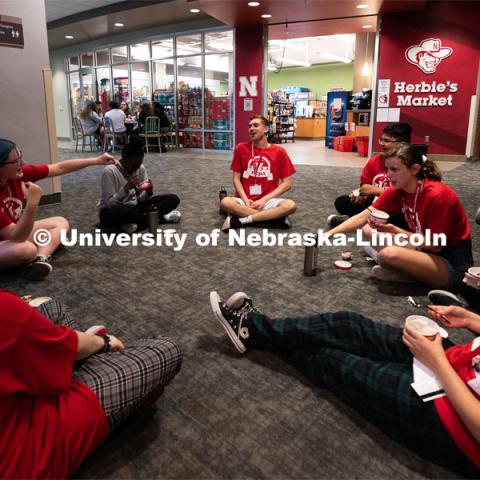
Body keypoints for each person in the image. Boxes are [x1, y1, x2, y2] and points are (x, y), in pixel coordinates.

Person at [210, 290, 480, 477]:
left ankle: (253, 329)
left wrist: (437, 364)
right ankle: (258, 329)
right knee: (346, 324)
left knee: (333, 361)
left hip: (456, 420)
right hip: (460, 360)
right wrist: (471, 320)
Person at [0, 289, 182, 479]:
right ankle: (89, 362)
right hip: (26, 449)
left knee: (49, 306)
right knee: (165, 349)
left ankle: (78, 360)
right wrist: (103, 342)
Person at [326, 143, 473, 288]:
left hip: (450, 260)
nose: (389, 175)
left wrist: (396, 231)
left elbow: (435, 246)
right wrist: (329, 234)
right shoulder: (398, 189)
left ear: (414, 169)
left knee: (387, 255)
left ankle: (406, 270)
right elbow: (364, 216)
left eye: (394, 169)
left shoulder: (438, 196)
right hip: (421, 247)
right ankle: (406, 269)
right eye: (388, 169)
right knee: (367, 229)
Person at [0, 139, 116, 280]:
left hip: (10, 235)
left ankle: (40, 260)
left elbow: (59, 167)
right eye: (15, 161)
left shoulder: (18, 175)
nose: (22, 163)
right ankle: (26, 257)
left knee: (59, 222)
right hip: (12, 236)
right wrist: (32, 204)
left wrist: (96, 160)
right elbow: (16, 236)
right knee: (26, 249)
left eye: (20, 156)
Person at [327, 123, 412, 228]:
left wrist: (377, 191)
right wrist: (359, 194)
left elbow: (410, 197)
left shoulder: (411, 165)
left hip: (399, 207)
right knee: (342, 201)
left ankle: (354, 222)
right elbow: (365, 186)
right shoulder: (375, 161)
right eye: (381, 140)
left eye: (387, 141)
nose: (382, 144)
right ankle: (364, 222)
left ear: (402, 144)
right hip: (375, 204)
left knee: (402, 217)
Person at [220, 115, 297, 231]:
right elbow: (236, 179)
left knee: (290, 205)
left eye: (256, 125)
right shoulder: (241, 148)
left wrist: (263, 200)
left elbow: (287, 184)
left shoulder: (279, 152)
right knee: (225, 202)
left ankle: (244, 219)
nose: (251, 129)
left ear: (265, 129)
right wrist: (245, 200)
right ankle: (272, 218)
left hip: (267, 200)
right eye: (249, 126)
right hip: (245, 199)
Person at [98, 136, 181, 233]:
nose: (135, 168)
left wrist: (148, 193)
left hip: (135, 208)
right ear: (124, 156)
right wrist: (125, 189)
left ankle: (137, 222)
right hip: (113, 211)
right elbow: (110, 204)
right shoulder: (110, 171)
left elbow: (140, 199)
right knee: (123, 212)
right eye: (133, 165)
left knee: (173, 199)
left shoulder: (140, 168)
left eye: (138, 165)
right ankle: (160, 218)